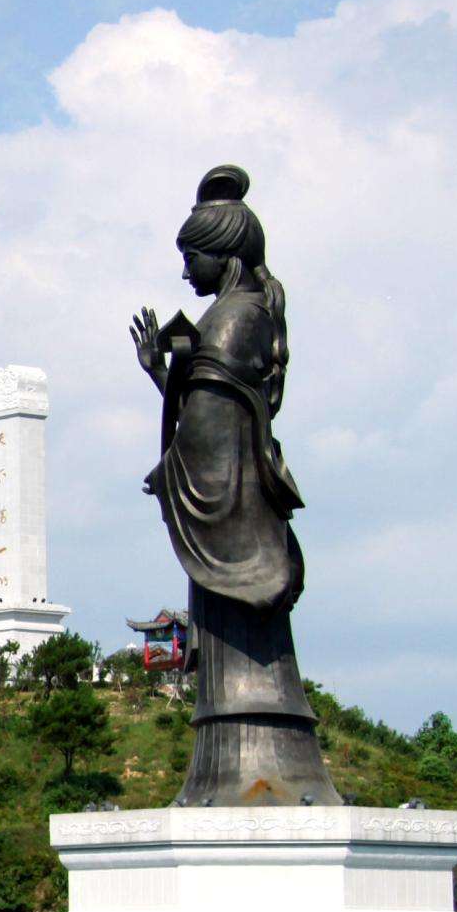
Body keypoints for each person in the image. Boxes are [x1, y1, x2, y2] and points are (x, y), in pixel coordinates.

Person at [129, 165, 340, 807]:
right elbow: (209, 411)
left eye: (191, 257)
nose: (185, 273)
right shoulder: (242, 314)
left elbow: (213, 427)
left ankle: (259, 769)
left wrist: (174, 469)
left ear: (220, 255)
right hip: (240, 507)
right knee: (232, 659)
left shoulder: (231, 318)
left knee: (241, 650)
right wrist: (164, 376)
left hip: (236, 514)